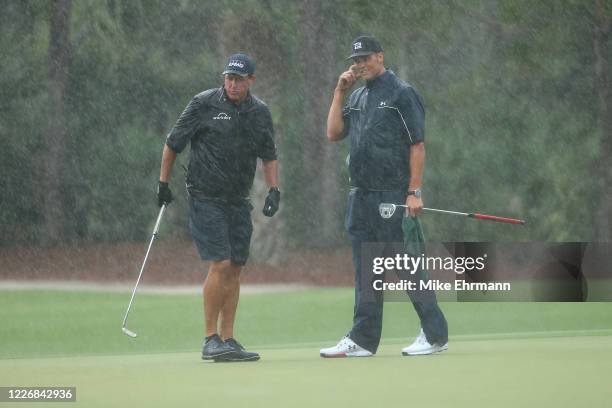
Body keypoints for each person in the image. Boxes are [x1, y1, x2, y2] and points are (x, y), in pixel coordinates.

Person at [321, 35, 448, 357]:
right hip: (361, 196)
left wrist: (413, 192)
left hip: (392, 195)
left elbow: (417, 145)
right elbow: (334, 133)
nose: (360, 64)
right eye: (356, 60)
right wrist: (339, 91)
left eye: (365, 58)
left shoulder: (402, 94)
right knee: (368, 268)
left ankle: (435, 335)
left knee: (404, 263)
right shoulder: (359, 95)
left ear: (380, 56)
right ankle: (363, 339)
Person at [157, 52, 280, 362]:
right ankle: (210, 338)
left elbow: (269, 154)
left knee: (236, 265)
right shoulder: (204, 103)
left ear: (251, 80)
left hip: (238, 199)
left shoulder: (260, 112)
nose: (232, 84)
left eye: (239, 79)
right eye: (228, 78)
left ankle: (228, 338)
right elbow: (173, 143)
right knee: (221, 263)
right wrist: (163, 183)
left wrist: (274, 189)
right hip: (205, 196)